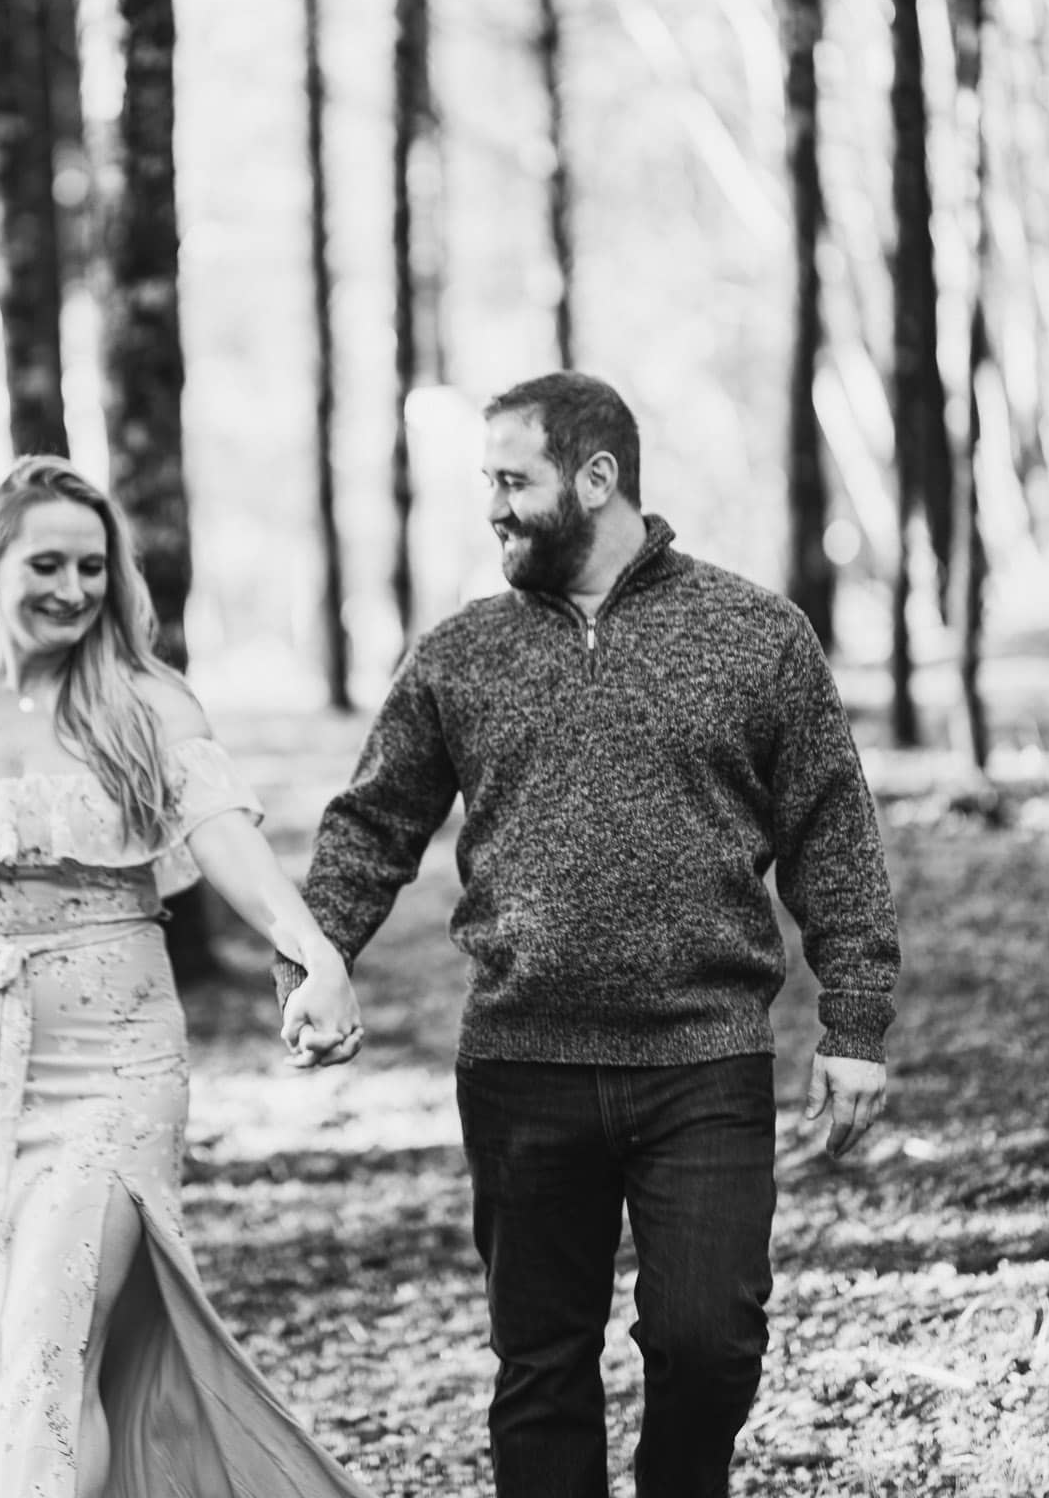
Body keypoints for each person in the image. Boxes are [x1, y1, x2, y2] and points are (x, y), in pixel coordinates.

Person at [276, 371, 901, 1498]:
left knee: (711, 1343)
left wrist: (854, 1023)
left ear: (597, 477)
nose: (495, 508)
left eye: (514, 480)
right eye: (489, 483)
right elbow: (372, 823)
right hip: (522, 1065)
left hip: (703, 1059)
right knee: (542, 1368)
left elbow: (833, 833)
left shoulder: (756, 633)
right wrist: (314, 959)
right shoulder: (462, 652)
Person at [0, 455, 373, 1498]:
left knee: (47, 1356)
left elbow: (225, 834)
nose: (73, 589)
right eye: (47, 564)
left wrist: (313, 948)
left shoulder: (148, 702)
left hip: (114, 1071)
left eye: (91, 566)